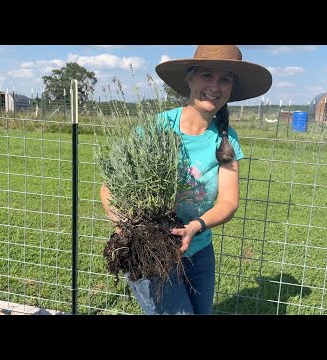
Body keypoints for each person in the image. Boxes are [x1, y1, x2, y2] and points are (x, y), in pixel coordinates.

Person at [100, 45, 272, 314]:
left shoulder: (226, 138)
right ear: (189, 79)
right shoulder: (158, 127)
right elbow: (110, 186)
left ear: (231, 89)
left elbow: (228, 202)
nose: (215, 86)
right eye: (206, 75)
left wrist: (196, 226)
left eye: (224, 79)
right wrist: (127, 231)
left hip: (200, 252)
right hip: (154, 251)